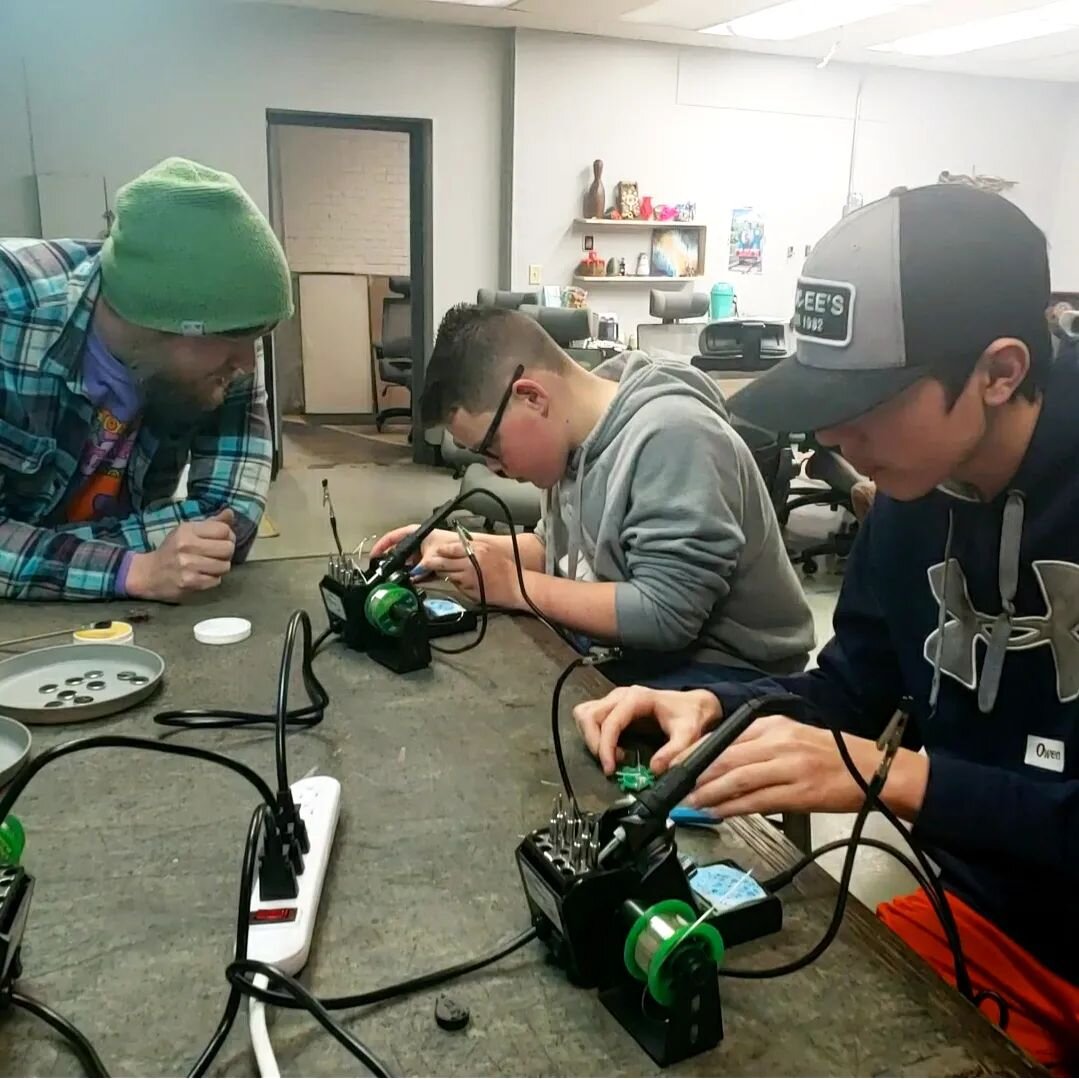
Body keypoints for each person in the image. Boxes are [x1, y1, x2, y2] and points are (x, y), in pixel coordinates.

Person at [574, 185, 1079, 1072]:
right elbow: (846, 691)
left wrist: (896, 775)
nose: (829, 437)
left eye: (868, 401)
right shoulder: (912, 493)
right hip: (985, 916)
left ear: (999, 372)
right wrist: (708, 702)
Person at [371, 304, 814, 684]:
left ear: (531, 398)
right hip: (650, 656)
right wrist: (458, 547)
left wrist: (513, 587)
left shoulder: (675, 436)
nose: (494, 469)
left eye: (490, 448)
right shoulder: (572, 444)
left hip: (731, 672)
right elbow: (555, 551)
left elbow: (667, 614)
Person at [0, 157, 292, 602]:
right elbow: (171, 557)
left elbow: (229, 521)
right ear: (158, 319)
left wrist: (32, 551)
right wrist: (132, 569)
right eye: (233, 338)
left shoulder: (223, 359)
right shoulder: (12, 315)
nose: (247, 364)